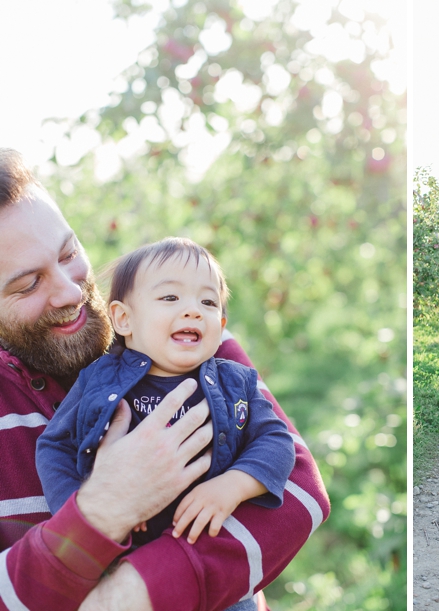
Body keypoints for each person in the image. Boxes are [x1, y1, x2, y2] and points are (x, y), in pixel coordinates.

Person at [0, 148, 330, 611]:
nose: (73, 291)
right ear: (125, 317)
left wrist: (136, 591)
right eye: (28, 283)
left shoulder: (188, 339)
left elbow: (301, 489)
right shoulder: (146, 320)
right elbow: (55, 450)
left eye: (69, 253)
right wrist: (95, 512)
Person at [37, 238, 297, 567]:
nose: (192, 310)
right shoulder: (99, 379)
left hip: (210, 562)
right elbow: (55, 445)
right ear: (124, 319)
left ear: (220, 326)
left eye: (208, 301)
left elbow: (276, 440)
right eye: (170, 297)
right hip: (123, 557)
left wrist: (232, 487)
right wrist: (83, 514)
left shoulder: (236, 383)